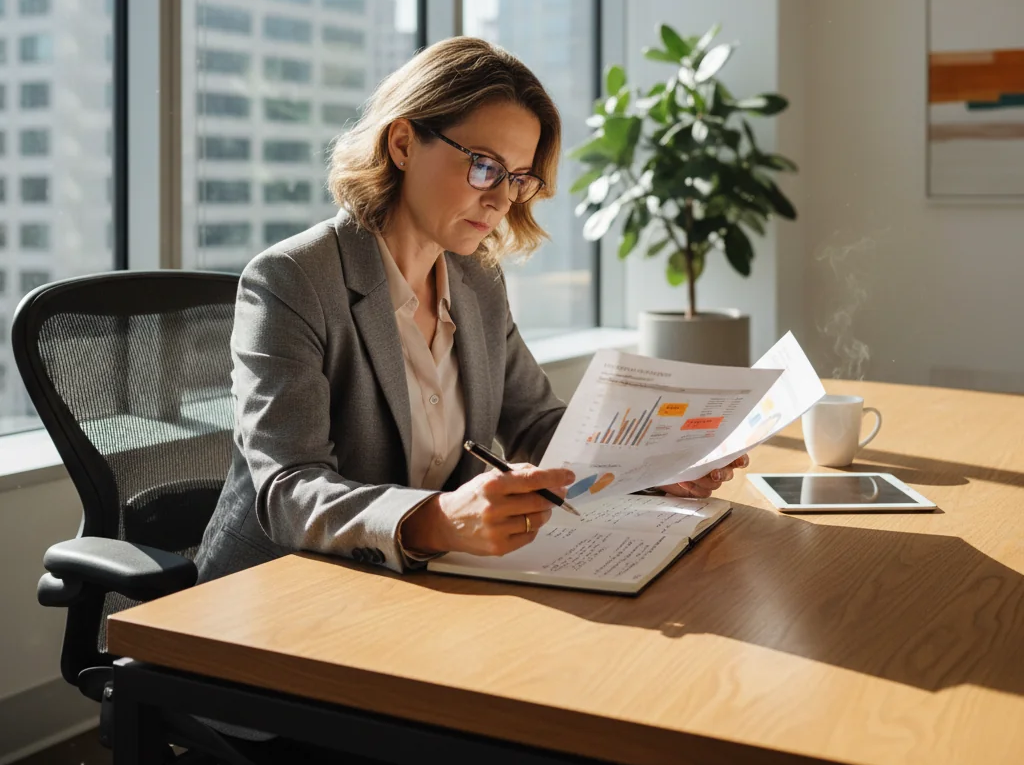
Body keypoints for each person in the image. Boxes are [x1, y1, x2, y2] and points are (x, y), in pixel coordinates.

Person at [196, 37, 747, 584]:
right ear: (405, 143)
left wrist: (651, 469)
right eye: (485, 166)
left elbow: (534, 421)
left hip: (420, 588)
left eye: (517, 178)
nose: (502, 199)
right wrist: (440, 519)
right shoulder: (292, 279)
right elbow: (291, 490)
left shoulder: (476, 280)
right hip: (279, 594)